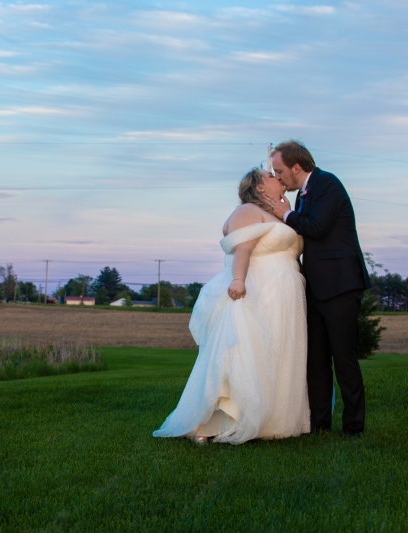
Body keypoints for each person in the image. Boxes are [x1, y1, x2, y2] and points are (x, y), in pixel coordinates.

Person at [153, 168, 310, 444]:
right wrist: (238, 280)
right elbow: (243, 250)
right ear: (260, 188)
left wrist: (286, 211)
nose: (278, 178)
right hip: (259, 290)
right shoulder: (247, 211)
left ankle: (271, 421)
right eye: (271, 176)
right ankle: (216, 423)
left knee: (277, 354)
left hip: (283, 296)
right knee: (249, 354)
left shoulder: (281, 213)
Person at [262, 140, 371, 437]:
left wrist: (285, 214)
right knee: (316, 361)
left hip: (340, 285)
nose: (278, 177)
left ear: (297, 168)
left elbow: (317, 227)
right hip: (316, 288)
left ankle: (353, 428)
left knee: (344, 359)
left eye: (280, 170)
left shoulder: (327, 184)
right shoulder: (304, 194)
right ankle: (320, 426)